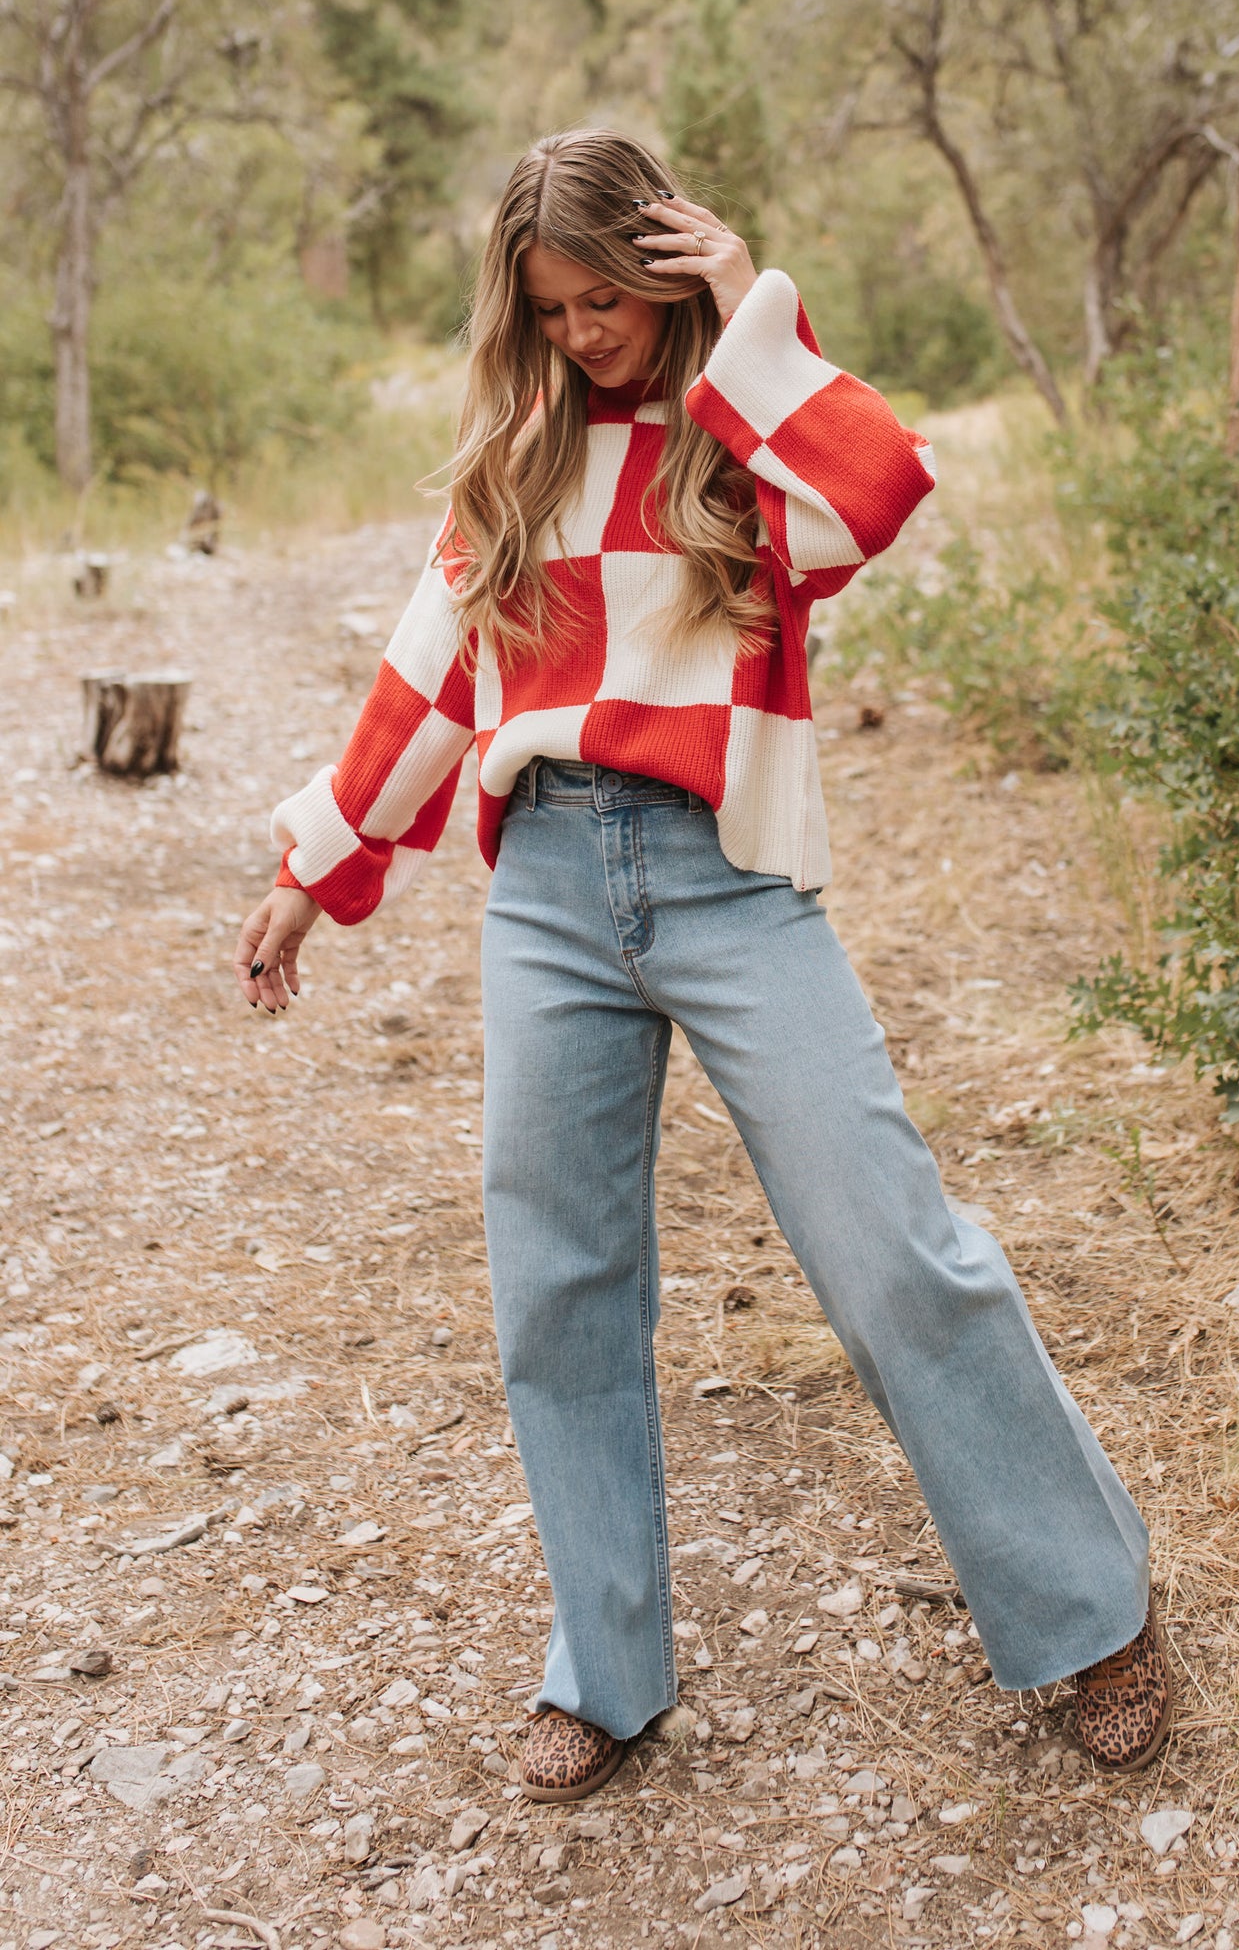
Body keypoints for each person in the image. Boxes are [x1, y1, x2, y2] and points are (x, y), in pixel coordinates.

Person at [233, 127, 1172, 1803]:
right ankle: (603, 1672)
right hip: (547, 895)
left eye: (608, 297)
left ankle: (1090, 1613)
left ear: (664, 272)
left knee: (893, 1251)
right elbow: (434, 679)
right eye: (552, 306)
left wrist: (747, 311)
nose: (583, 332)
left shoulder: (741, 430)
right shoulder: (515, 455)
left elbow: (877, 489)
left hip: (725, 878)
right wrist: (318, 866)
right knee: (558, 1285)